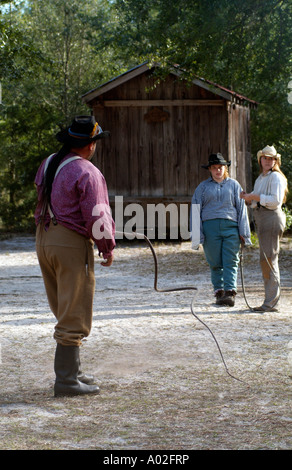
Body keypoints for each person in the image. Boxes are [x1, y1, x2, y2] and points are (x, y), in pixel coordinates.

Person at [34, 115, 116, 397]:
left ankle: (74, 371)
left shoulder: (49, 163)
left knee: (64, 305)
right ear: (91, 145)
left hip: (44, 238)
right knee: (74, 309)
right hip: (69, 242)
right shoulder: (87, 172)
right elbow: (98, 214)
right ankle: (67, 380)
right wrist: (107, 246)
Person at [191, 153, 251, 307]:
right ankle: (219, 293)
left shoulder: (234, 185)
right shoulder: (203, 187)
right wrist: (197, 235)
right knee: (215, 262)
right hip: (210, 228)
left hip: (231, 226)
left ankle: (230, 293)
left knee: (231, 260)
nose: (218, 171)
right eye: (214, 168)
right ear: (210, 170)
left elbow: (242, 209)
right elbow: (195, 210)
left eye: (221, 167)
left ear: (226, 168)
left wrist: (244, 232)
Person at [240, 145, 288, 312]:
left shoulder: (276, 178)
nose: (268, 161)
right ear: (260, 159)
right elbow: (256, 201)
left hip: (271, 217)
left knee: (269, 259)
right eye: (265, 158)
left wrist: (255, 197)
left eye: (271, 158)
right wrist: (248, 198)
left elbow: (275, 201)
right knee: (266, 259)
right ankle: (270, 301)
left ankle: (271, 302)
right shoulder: (261, 178)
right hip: (263, 218)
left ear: (275, 161)